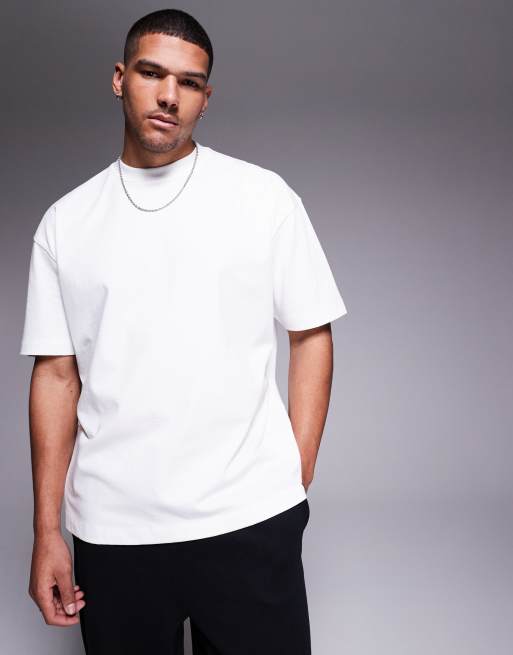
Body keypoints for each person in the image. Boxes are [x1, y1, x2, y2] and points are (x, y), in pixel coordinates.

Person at [19, 8, 348, 655]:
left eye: (189, 82)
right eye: (152, 73)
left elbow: (311, 334)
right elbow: (55, 375)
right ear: (120, 78)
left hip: (249, 517)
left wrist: (296, 465)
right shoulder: (66, 223)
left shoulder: (262, 198)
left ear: (205, 96)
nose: (169, 95)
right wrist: (47, 531)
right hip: (114, 532)